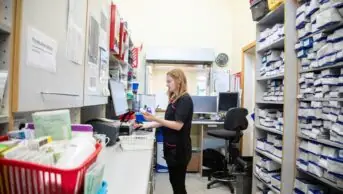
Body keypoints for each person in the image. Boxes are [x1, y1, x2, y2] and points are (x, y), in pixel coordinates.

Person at [135, 68, 194, 194]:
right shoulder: (174, 98)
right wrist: (146, 124)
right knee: (174, 182)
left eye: (169, 81)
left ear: (178, 81)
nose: (167, 84)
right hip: (172, 148)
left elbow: (178, 125)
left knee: (178, 186)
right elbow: (167, 120)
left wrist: (154, 118)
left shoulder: (185, 100)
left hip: (179, 150)